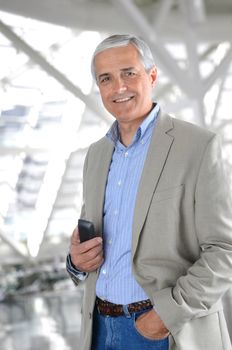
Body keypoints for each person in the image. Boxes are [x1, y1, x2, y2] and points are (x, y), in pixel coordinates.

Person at [66, 34, 232, 350]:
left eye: (129, 73)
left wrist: (166, 315)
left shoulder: (198, 146)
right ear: (99, 88)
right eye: (106, 78)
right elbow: (93, 243)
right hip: (100, 330)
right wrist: (75, 261)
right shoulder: (95, 156)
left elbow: (225, 249)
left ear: (152, 76)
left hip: (168, 331)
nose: (119, 87)